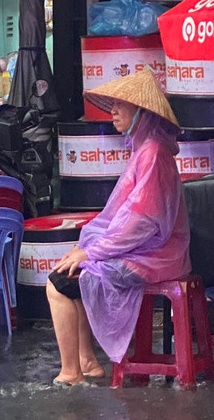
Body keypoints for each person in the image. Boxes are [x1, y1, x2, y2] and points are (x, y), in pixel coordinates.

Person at [45, 70, 189, 386]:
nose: (112, 113)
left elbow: (140, 223)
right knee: (74, 271)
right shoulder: (146, 150)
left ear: (142, 112)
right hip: (152, 253)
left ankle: (71, 372)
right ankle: (87, 362)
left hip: (152, 258)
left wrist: (92, 251)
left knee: (57, 285)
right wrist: (86, 249)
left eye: (120, 106)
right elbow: (121, 218)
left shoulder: (151, 153)